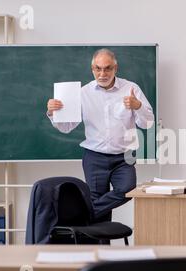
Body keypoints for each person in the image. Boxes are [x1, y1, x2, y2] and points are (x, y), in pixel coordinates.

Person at [46, 48, 154, 223]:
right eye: (98, 68)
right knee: (99, 208)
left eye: (107, 68)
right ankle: (100, 246)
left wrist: (138, 106)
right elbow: (66, 127)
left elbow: (148, 123)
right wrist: (53, 113)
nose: (103, 73)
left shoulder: (131, 89)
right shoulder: (82, 93)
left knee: (127, 190)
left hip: (124, 158)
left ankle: (79, 215)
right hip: (94, 157)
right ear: (92, 69)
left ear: (115, 69)